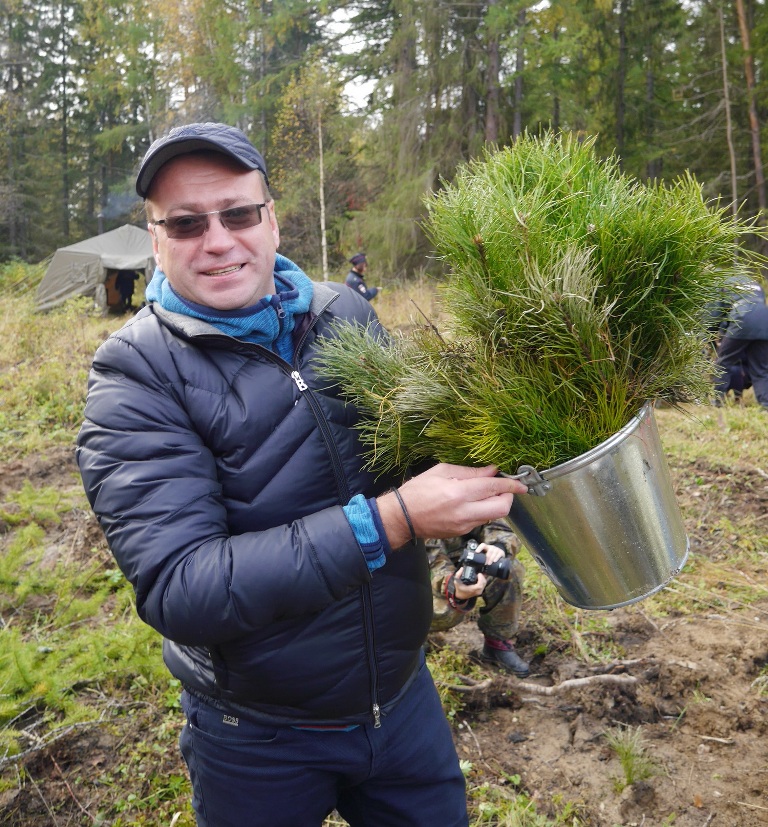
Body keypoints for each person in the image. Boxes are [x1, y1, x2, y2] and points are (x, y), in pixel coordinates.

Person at [75, 122, 527, 827]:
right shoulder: (134, 377)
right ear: (156, 241)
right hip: (257, 737)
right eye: (187, 223)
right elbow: (183, 585)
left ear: (272, 220)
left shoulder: (342, 312)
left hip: (403, 702)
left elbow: (409, 455)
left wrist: (473, 532)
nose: (218, 238)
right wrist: (393, 519)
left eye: (238, 213)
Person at [427, 520, 529, 678]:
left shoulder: (470, 494)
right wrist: (453, 586)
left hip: (465, 555)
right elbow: (429, 558)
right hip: (416, 573)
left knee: (509, 570)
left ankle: (496, 644)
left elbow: (500, 521)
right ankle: (409, 639)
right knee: (446, 609)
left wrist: (498, 546)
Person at [712, 278, 768, 411]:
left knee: (723, 361)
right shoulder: (755, 284)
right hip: (764, 321)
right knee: (761, 368)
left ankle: (718, 401)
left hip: (741, 320)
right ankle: (765, 404)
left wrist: (712, 335)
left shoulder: (723, 282)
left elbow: (715, 314)